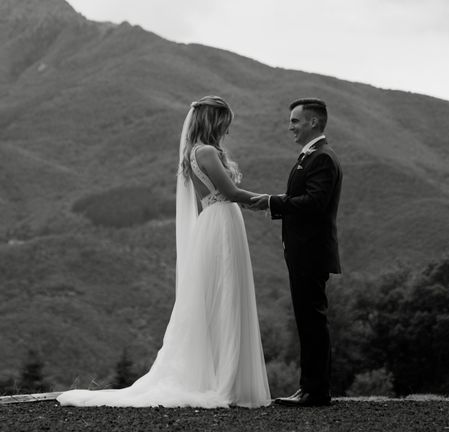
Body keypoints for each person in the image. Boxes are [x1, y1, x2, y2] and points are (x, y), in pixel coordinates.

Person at [57, 96, 271, 408]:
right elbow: (231, 193)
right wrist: (274, 201)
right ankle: (227, 380)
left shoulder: (194, 153)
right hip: (222, 224)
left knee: (221, 297)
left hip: (214, 222)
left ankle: (224, 375)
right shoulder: (208, 151)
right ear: (214, 120)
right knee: (226, 296)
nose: (228, 129)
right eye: (225, 122)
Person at [251, 97, 342, 407]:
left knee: (312, 322)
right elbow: (304, 200)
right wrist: (278, 204)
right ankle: (311, 388)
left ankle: (315, 391)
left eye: (295, 121)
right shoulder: (312, 156)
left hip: (311, 253)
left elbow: (315, 203)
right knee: (308, 321)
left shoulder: (322, 158)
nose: (289, 126)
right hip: (304, 252)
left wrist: (272, 202)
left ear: (313, 123)